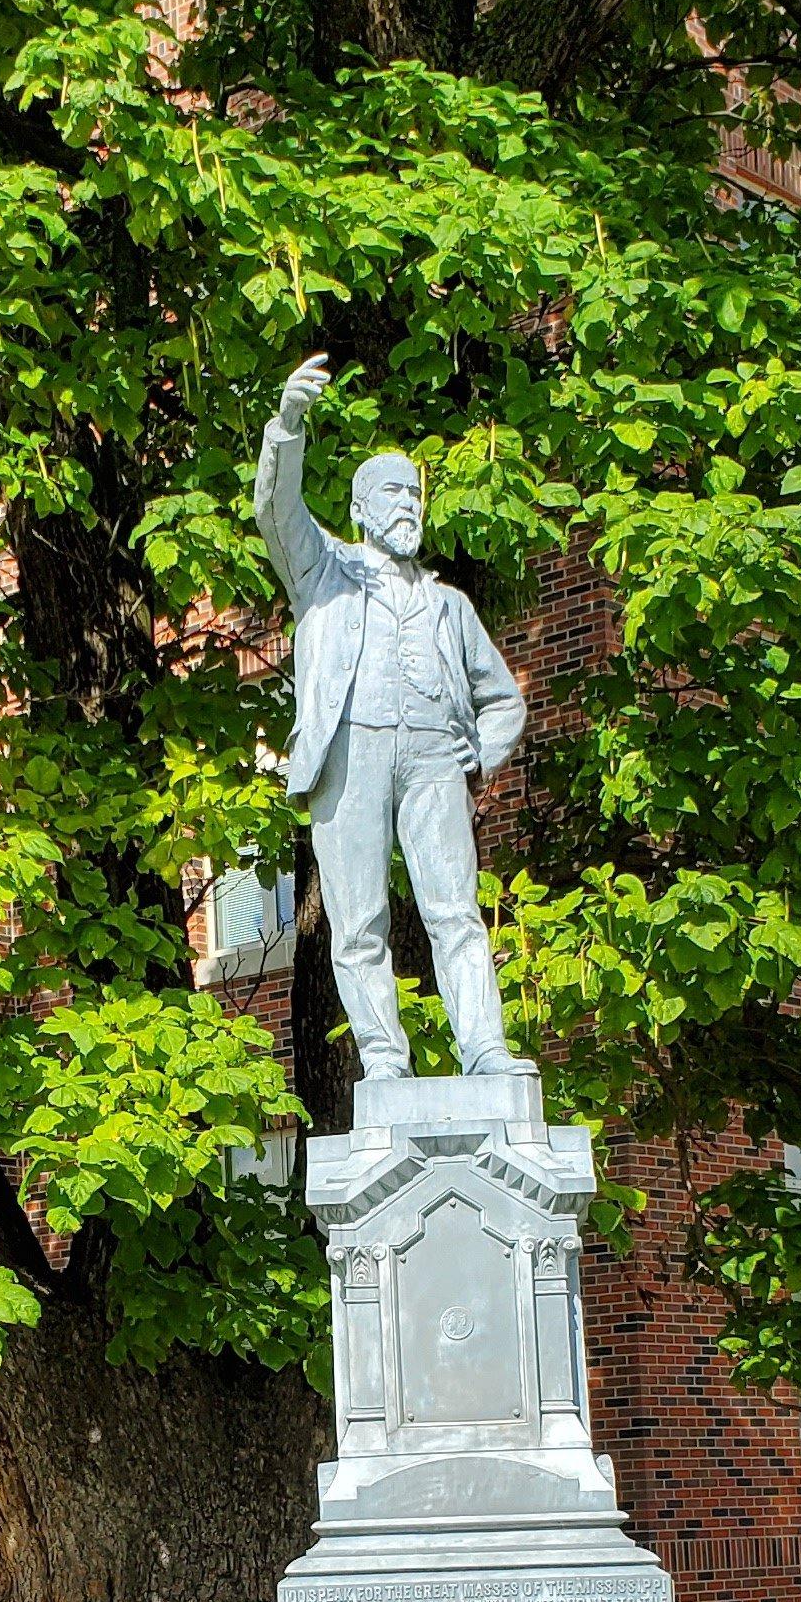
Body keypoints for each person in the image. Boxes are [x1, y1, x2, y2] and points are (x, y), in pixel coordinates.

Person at [255, 353, 532, 1080]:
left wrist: (482, 755)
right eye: (389, 492)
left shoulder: (450, 606)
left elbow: (502, 697)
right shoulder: (323, 572)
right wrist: (287, 426)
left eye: (413, 492)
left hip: (436, 759)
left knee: (456, 914)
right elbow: (277, 513)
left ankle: (486, 1050)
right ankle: (384, 1060)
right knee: (359, 925)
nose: (406, 502)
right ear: (359, 510)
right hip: (353, 757)